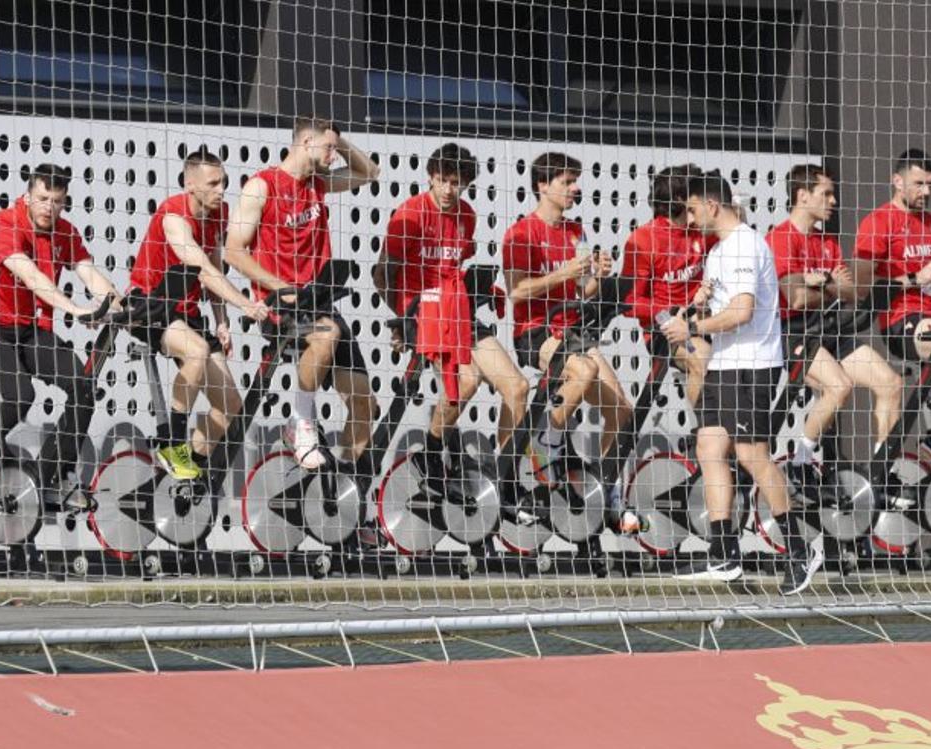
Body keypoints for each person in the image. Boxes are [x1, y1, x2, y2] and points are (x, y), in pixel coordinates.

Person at [660, 169, 822, 594]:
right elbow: (719, 308)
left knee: (752, 454)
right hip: (726, 364)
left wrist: (694, 331)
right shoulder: (718, 252)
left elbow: (743, 312)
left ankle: (800, 550)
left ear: (712, 205)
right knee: (709, 445)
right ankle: (723, 554)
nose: (690, 220)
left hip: (752, 365)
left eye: (693, 210)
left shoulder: (745, 245)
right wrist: (693, 310)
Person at [0, 164, 125, 514]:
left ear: (64, 202)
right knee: (21, 395)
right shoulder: (4, 225)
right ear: (28, 195)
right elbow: (31, 277)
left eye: (56, 201)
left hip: (27, 331)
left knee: (83, 387)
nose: (49, 207)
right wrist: (76, 310)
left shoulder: (64, 232)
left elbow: (91, 274)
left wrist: (115, 304)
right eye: (42, 198)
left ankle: (46, 479)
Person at [374, 143, 529, 514]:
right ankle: (429, 454)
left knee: (518, 387)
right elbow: (381, 272)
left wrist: (481, 289)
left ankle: (504, 480)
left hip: (457, 310)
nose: (448, 190)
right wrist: (402, 319)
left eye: (456, 183)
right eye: (442, 181)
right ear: (430, 176)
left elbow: (455, 267)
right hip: (422, 314)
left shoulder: (467, 217)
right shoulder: (409, 213)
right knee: (468, 382)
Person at [225, 118, 379, 471]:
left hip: (319, 302)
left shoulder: (318, 184)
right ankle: (300, 421)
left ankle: (348, 492)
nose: (333, 156)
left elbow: (370, 173)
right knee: (328, 335)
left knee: (364, 404)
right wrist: (281, 288)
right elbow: (233, 251)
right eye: (327, 148)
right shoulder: (261, 186)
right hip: (280, 304)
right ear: (306, 141)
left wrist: (337, 140)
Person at [502, 152, 632, 517]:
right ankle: (546, 444)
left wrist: (598, 277)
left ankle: (608, 492)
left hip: (571, 330)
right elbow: (516, 291)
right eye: (566, 181)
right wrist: (564, 274)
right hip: (536, 332)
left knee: (621, 409)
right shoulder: (520, 233)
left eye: (575, 181)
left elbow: (582, 290)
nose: (575, 188)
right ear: (542, 186)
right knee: (583, 371)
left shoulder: (575, 231)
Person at [127, 149, 269, 480]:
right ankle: (170, 444)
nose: (222, 190)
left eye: (224, 182)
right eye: (214, 183)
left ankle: (185, 471)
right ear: (191, 185)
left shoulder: (219, 214)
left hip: (186, 313)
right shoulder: (173, 216)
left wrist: (221, 319)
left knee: (232, 407)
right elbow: (203, 270)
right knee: (197, 350)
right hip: (148, 306)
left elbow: (217, 267)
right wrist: (245, 304)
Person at [766, 164, 903, 502]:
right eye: (825, 193)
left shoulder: (827, 242)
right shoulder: (781, 238)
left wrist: (821, 283)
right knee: (838, 386)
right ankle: (799, 463)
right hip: (793, 333)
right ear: (802, 195)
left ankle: (880, 475)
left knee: (891, 383)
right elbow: (795, 297)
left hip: (828, 329)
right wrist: (829, 284)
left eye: (832, 193)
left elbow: (852, 292)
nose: (833, 200)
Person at [854, 148, 931, 475]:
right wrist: (913, 278)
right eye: (919, 184)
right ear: (897, 181)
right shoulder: (878, 221)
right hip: (901, 321)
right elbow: (862, 287)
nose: (926, 192)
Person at [621, 163, 711, 408]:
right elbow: (629, 303)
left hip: (707, 322)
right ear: (682, 198)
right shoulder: (644, 239)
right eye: (699, 192)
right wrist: (671, 312)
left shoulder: (702, 229)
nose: (705, 199)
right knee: (702, 356)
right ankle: (708, 435)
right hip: (665, 331)